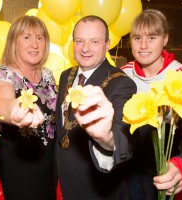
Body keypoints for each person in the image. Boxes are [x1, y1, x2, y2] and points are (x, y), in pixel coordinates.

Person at [121, 9, 182, 199]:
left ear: (165, 39)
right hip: (128, 164)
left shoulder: (179, 76)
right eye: (137, 38)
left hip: (161, 167)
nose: (143, 45)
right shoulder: (124, 73)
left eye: (152, 37)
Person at [56, 15, 137, 199]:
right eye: (79, 41)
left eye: (94, 41)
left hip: (99, 187)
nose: (85, 48)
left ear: (107, 44)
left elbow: (122, 134)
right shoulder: (65, 76)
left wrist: (106, 138)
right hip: (65, 180)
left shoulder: (122, 83)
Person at [0, 16, 58, 200]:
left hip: (49, 160)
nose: (34, 44)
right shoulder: (4, 74)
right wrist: (14, 110)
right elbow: (1, 103)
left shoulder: (48, 75)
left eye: (40, 38)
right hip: (20, 164)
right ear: (13, 42)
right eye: (26, 37)